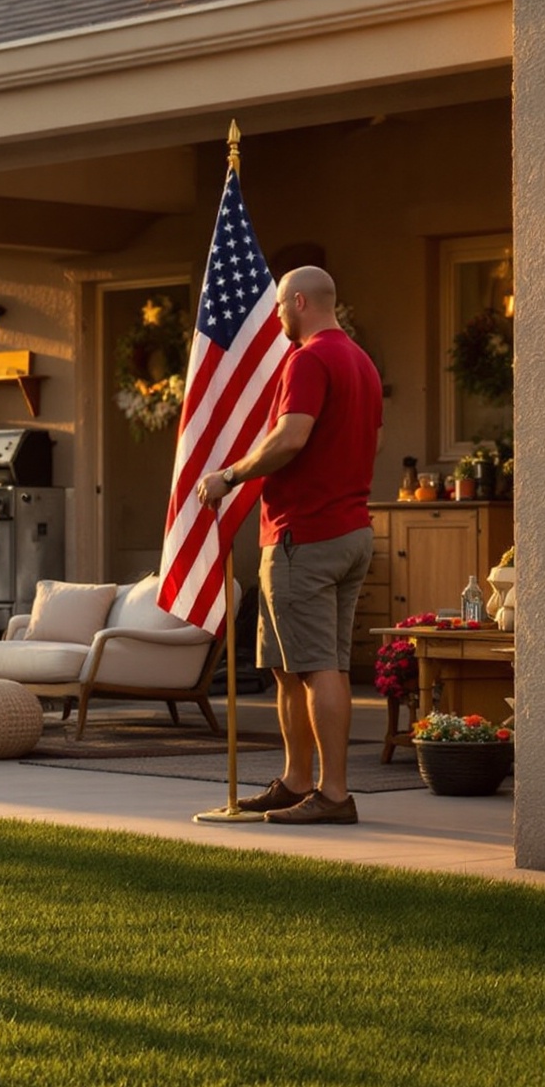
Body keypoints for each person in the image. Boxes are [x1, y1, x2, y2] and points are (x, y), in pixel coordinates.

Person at [198, 266, 383, 825]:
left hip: (308, 534)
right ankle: (297, 780)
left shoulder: (308, 358)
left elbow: (291, 436)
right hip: (347, 530)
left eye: (280, 305)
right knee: (286, 666)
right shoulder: (361, 361)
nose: (277, 315)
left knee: (319, 666)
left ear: (299, 301)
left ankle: (333, 794)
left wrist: (229, 475)